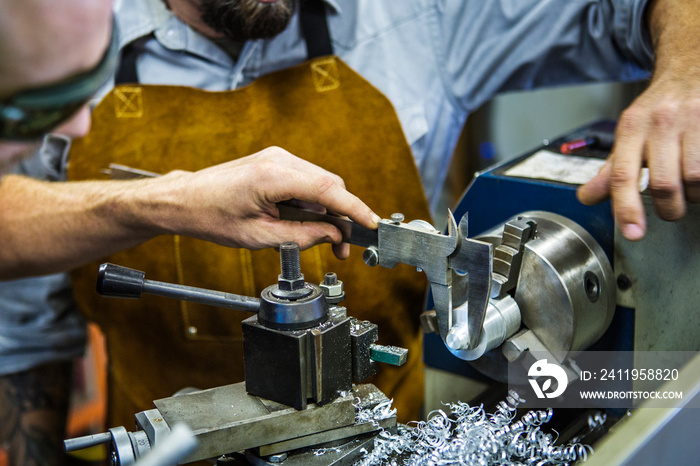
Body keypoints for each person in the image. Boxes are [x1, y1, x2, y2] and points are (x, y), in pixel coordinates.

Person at [0, 1, 378, 465]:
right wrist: (168, 199)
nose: (77, 122)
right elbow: (27, 332)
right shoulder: (59, 27)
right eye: (33, 112)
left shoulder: (420, 20)